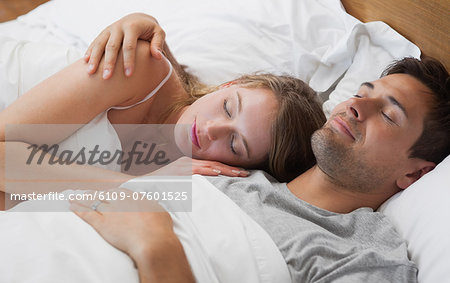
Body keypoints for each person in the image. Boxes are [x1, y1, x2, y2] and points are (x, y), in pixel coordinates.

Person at [73, 14, 449, 283]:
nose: (355, 106)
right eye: (363, 92)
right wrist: (142, 26)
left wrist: (157, 248)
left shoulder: (365, 258)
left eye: (388, 114)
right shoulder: (230, 167)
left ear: (415, 176)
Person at [0, 18, 327, 208]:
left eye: (235, 144)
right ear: (230, 84)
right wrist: (131, 184)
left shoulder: (185, 178)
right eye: (228, 107)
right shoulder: (143, 70)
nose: (212, 128)